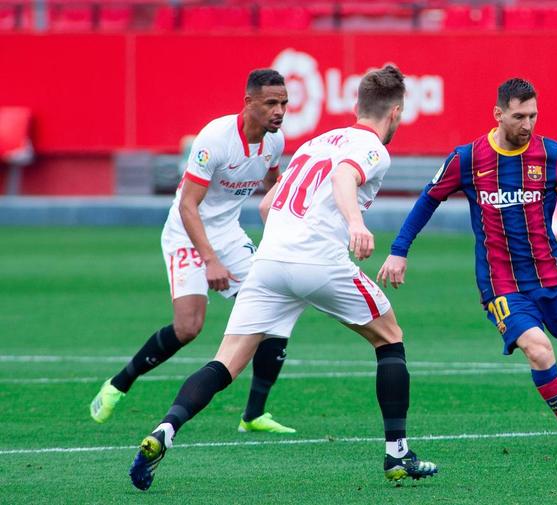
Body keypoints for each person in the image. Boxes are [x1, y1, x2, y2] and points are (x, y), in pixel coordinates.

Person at [128, 65, 438, 491]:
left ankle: (164, 430)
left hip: (271, 261)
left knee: (225, 362)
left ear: (354, 106)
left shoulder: (316, 142)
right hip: (319, 261)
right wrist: (354, 224)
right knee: (390, 337)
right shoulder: (372, 148)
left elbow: (267, 205)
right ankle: (398, 454)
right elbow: (346, 176)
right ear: (397, 112)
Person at [378, 77, 557, 455]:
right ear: (498, 114)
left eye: (533, 116)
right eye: (519, 116)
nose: (527, 125)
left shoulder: (551, 155)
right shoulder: (467, 159)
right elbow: (428, 200)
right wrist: (399, 250)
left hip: (554, 275)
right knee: (539, 350)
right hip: (502, 283)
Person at [90, 69, 295, 435]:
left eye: (283, 103)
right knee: (189, 327)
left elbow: (273, 187)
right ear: (249, 103)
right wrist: (210, 259)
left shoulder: (274, 143)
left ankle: (253, 415)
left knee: (275, 304)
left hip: (228, 234)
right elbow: (188, 206)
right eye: (271, 103)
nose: (279, 111)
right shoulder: (215, 139)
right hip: (186, 232)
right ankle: (118, 384)